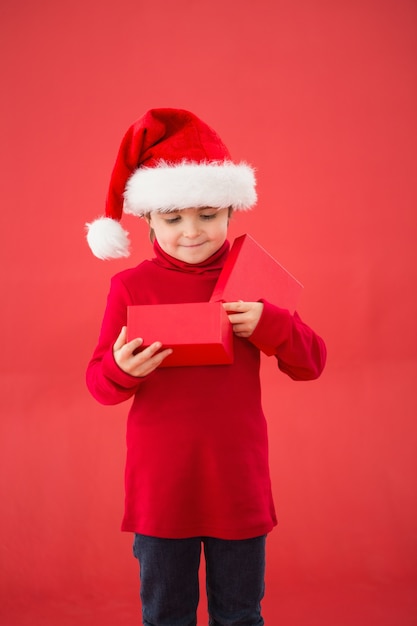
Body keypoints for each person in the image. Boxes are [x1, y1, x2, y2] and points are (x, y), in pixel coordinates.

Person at [85, 108, 326, 626]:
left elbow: (312, 363)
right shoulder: (130, 288)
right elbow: (99, 384)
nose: (192, 232)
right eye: (172, 219)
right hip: (161, 487)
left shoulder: (252, 274)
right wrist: (122, 368)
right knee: (166, 614)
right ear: (148, 219)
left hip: (237, 482)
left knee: (239, 615)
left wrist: (269, 321)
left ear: (230, 214)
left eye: (208, 216)